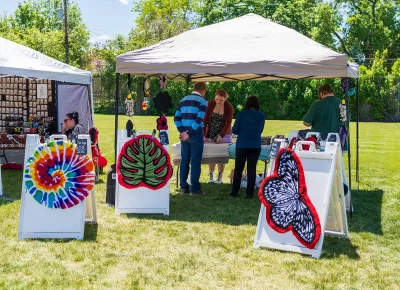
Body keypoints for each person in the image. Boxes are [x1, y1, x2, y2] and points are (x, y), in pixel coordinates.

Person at [174, 82, 208, 196]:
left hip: (184, 134)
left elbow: (176, 118)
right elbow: (199, 119)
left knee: (184, 161)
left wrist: (183, 131)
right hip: (196, 133)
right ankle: (195, 189)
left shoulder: (183, 100)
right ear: (203, 91)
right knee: (195, 162)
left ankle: (184, 188)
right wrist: (190, 133)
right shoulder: (203, 101)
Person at [229, 96, 265, 199]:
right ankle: (249, 193)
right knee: (252, 169)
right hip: (255, 144)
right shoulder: (261, 115)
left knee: (239, 169)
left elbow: (235, 130)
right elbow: (261, 130)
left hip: (242, 144)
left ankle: (234, 191)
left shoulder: (241, 114)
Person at [203, 89, 233, 184]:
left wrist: (221, 135)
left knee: (221, 154)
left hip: (224, 133)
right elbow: (205, 119)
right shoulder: (210, 104)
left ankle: (220, 176)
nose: (218, 102)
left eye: (221, 100)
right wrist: (204, 134)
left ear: (225, 99)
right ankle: (211, 175)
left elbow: (228, 122)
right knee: (212, 154)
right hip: (211, 132)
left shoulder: (229, 107)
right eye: (217, 99)